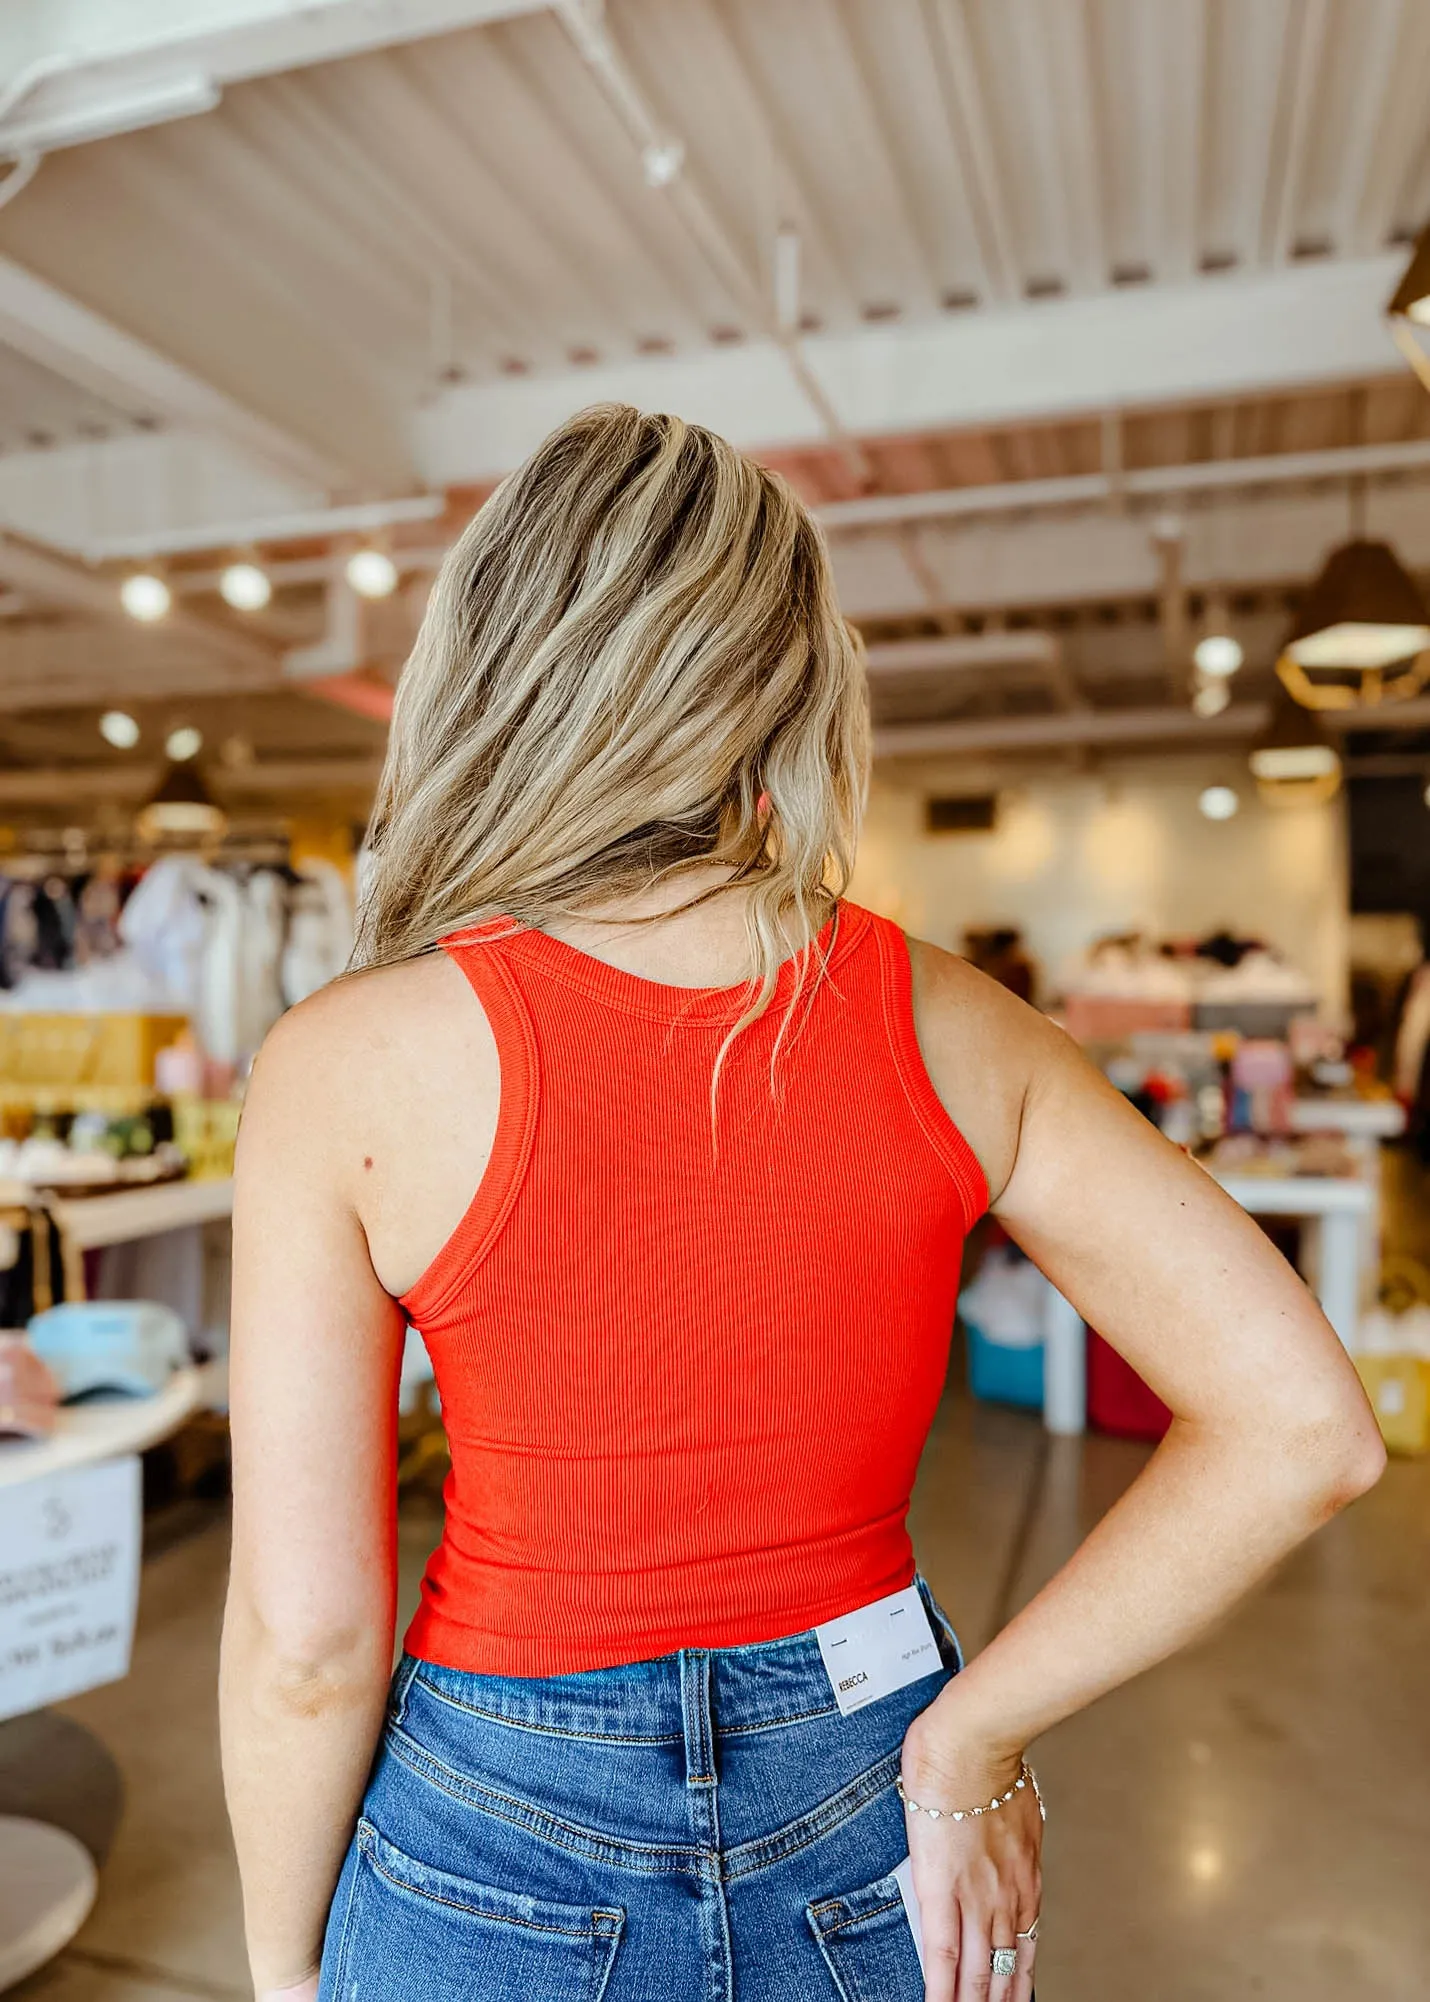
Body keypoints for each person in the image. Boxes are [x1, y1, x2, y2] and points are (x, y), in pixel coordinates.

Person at [220, 405, 1384, 2002]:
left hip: (495, 1827)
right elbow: (1305, 1422)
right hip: (867, 1794)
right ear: (782, 681)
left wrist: (283, 1964)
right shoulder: (955, 1022)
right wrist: (973, 1735)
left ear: (489, 665)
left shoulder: (346, 1063)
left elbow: (307, 1644)